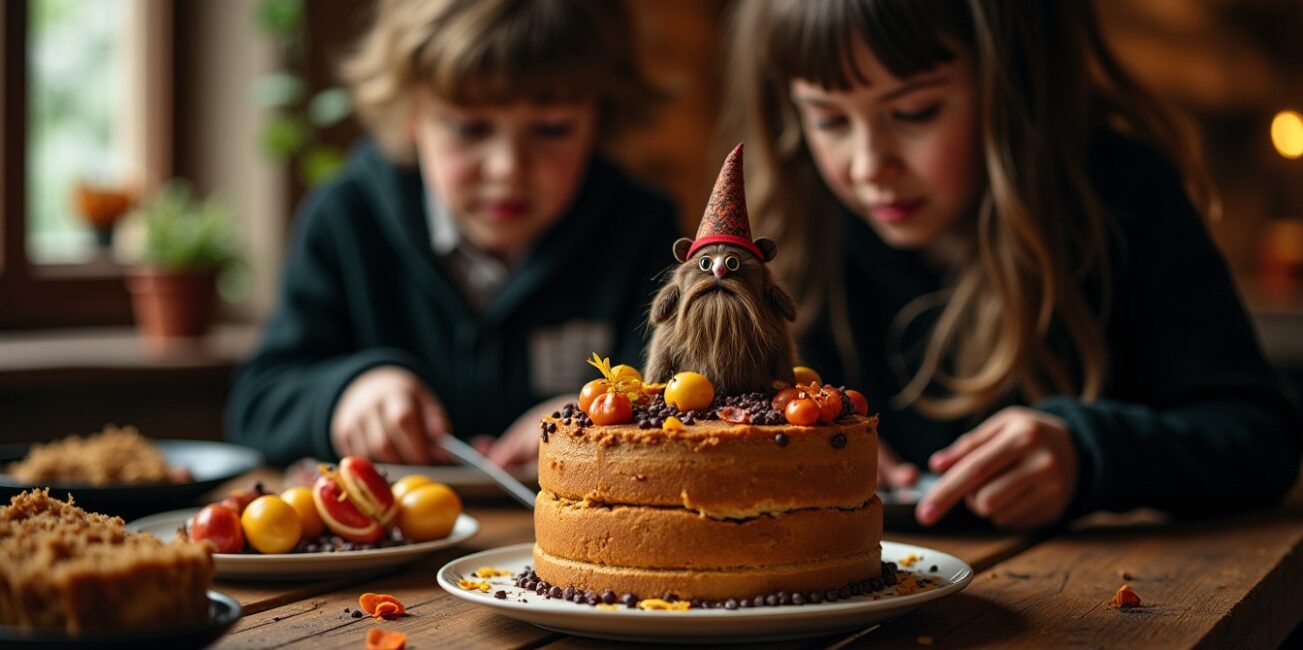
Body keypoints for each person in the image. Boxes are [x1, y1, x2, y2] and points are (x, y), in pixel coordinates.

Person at [721, 0, 1301, 529]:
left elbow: (1260, 439)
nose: (870, 165)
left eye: (916, 111)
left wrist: (1089, 452)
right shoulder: (792, 234)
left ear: (1014, 86)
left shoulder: (1124, 199)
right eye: (829, 120)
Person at [228, 0, 677, 468]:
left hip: (575, 534)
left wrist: (595, 414)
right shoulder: (345, 219)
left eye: (552, 129)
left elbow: (686, 395)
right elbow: (259, 403)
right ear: (412, 117)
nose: (508, 168)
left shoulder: (642, 230)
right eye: (470, 127)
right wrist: (344, 395)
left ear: (598, 120)